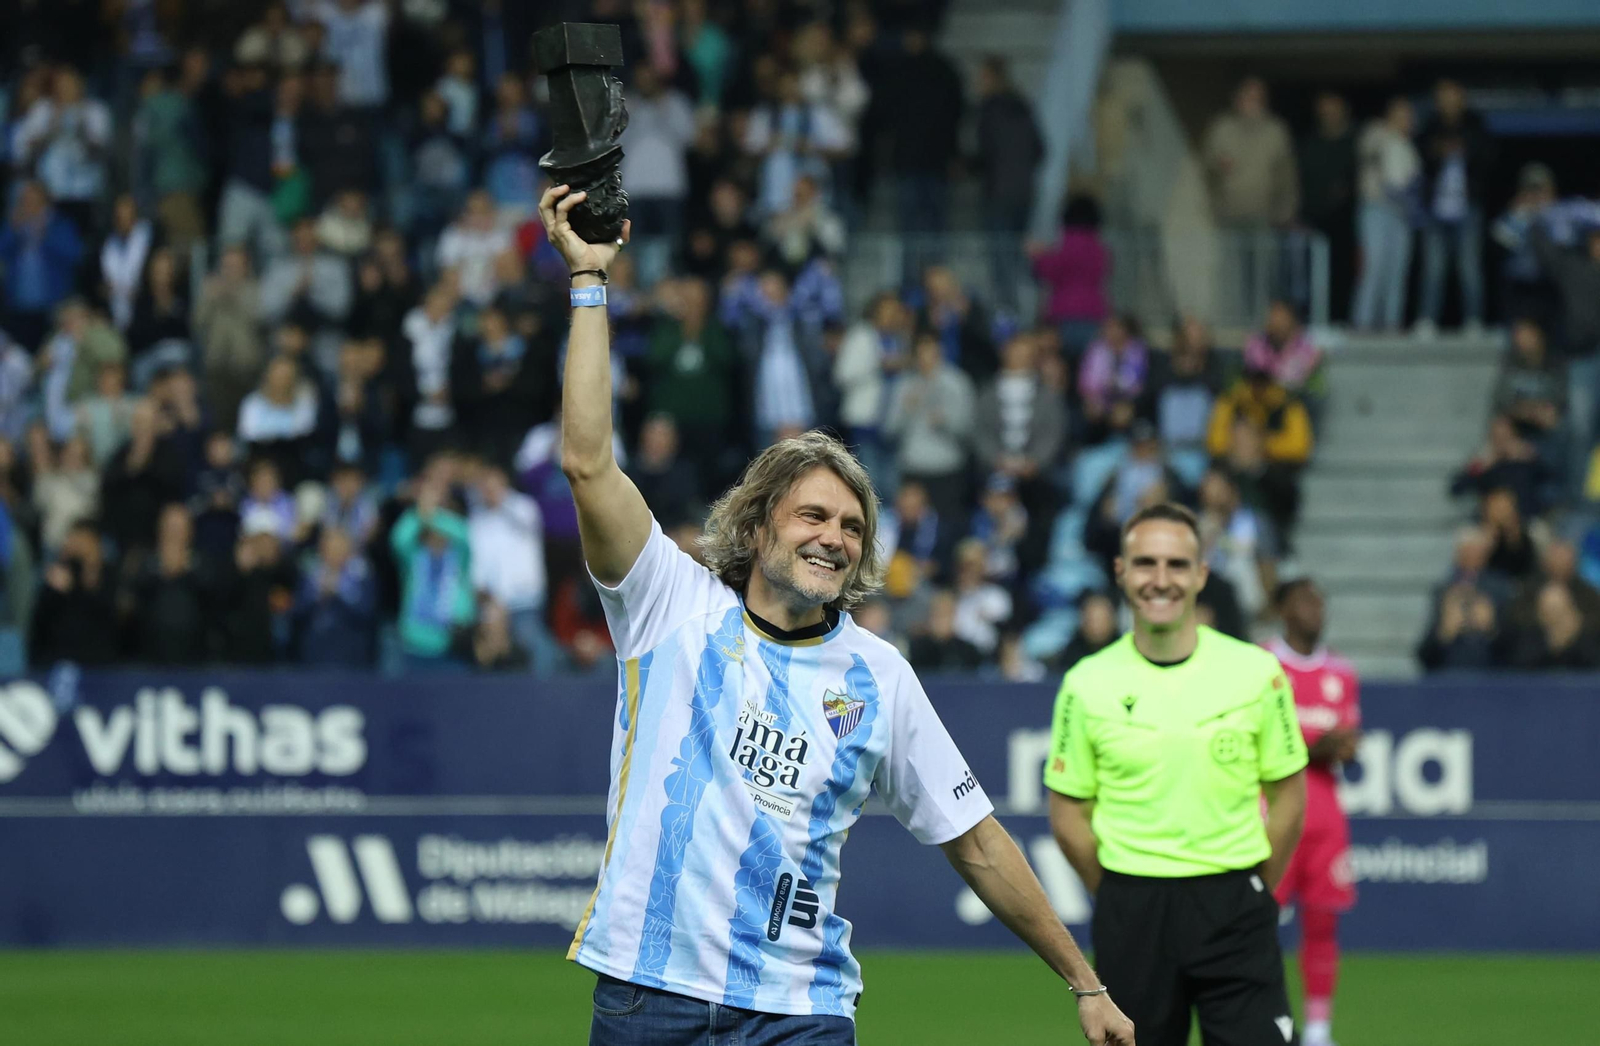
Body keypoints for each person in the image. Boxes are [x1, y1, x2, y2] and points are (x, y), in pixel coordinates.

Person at [539, 183, 1132, 1046]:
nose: (835, 538)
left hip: (799, 1012)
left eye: (853, 526)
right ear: (760, 521)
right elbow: (590, 463)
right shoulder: (668, 601)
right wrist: (589, 286)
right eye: (813, 516)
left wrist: (1084, 983)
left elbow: (975, 841)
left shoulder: (877, 675)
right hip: (647, 995)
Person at [1047, 502, 1308, 1046]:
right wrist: (1120, 891)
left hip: (1236, 906)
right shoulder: (1085, 682)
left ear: (1201, 574)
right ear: (1120, 571)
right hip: (1132, 912)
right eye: (1145, 563)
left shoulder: (1257, 672)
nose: (1160, 580)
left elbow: (1288, 798)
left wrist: (1255, 885)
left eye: (1176, 565)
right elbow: (1068, 815)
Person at [1264, 579, 1361, 1046]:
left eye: (1321, 601)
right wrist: (1314, 746)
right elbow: (1257, 741)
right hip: (1273, 810)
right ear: (1283, 609)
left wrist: (1340, 746)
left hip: (1324, 814)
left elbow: (1346, 742)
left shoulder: (1341, 672)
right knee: (1258, 923)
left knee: (1323, 921)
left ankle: (1319, 1032)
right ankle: (1266, 1019)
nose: (1316, 610)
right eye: (1305, 601)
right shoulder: (1260, 664)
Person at [1415, 79, 1494, 336]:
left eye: (1453, 97)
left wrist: (1464, 149)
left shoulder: (1475, 124)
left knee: (1469, 267)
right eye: (1443, 98)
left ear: (1462, 99)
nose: (1448, 103)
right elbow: (1419, 158)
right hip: (1435, 208)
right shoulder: (1429, 126)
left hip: (1467, 206)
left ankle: (1473, 320)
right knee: (1434, 268)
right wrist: (1438, 150)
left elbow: (1489, 157)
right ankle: (1427, 319)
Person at [1352, 98, 1420, 332]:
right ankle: (1363, 322)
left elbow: (1411, 182)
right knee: (1374, 267)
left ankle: (1391, 323)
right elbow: (1367, 152)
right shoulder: (1375, 133)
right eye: (1403, 115)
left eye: (1410, 116)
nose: (1408, 121)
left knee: (1397, 270)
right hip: (1376, 209)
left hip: (1401, 213)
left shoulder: (1409, 146)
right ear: (1391, 115)